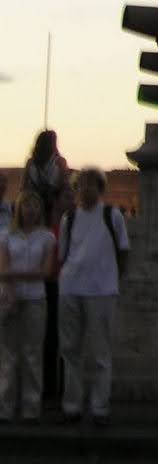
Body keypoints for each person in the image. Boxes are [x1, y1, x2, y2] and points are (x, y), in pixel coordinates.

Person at [57, 168, 129, 426]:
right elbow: (63, 254)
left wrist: (113, 279)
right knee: (70, 350)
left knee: (100, 352)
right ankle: (71, 406)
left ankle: (100, 407)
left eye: (91, 185)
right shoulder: (70, 218)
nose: (85, 190)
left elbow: (123, 251)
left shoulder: (113, 216)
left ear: (100, 189)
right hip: (71, 287)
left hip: (101, 290)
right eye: (82, 185)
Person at [22, 130, 70, 403]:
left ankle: (46, 388)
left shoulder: (37, 165)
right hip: (46, 220)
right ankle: (47, 388)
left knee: (49, 333)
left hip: (46, 221)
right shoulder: (56, 164)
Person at [0, 192, 56, 422]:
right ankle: (5, 405)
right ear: (18, 209)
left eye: (34, 205)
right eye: (26, 205)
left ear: (40, 209)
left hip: (34, 299)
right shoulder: (5, 236)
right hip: (9, 298)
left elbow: (46, 272)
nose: (30, 210)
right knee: (8, 355)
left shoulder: (47, 237)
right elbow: (2, 270)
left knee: (32, 353)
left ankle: (31, 406)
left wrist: (16, 275)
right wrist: (16, 279)